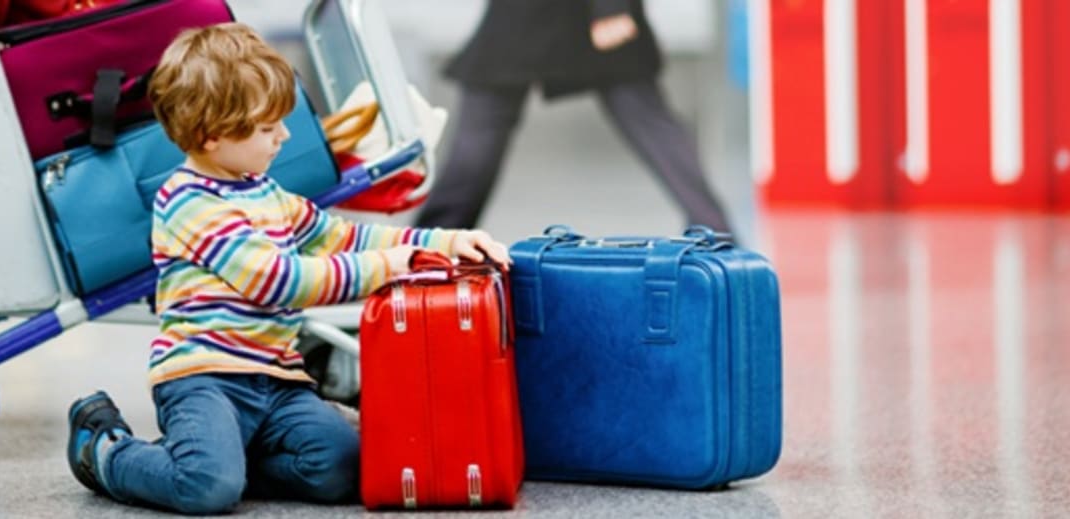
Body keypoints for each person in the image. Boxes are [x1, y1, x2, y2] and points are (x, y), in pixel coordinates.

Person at [63, 23, 511, 514]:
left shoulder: (264, 191)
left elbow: (345, 236)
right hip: (204, 378)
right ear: (212, 135)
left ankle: (224, 459)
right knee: (205, 490)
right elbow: (278, 281)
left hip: (276, 379)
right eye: (267, 127)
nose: (285, 135)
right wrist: (388, 267)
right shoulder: (187, 202)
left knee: (342, 468)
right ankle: (107, 451)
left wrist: (446, 242)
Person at [416, 0, 734, 233]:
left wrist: (613, 7)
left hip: (591, 16)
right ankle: (432, 244)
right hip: (526, 16)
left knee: (647, 117)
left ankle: (716, 233)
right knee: (482, 128)